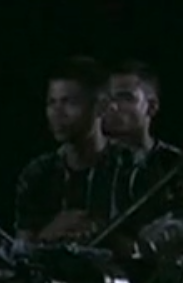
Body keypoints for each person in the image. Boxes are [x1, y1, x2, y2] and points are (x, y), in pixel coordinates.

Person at [14, 56, 131, 244]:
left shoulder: (132, 168)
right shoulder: (38, 174)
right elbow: (21, 251)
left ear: (101, 107)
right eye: (51, 102)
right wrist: (49, 233)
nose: (57, 112)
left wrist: (103, 234)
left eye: (69, 102)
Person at [101, 60, 183, 235]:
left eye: (125, 98)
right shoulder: (84, 161)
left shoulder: (179, 167)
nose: (112, 106)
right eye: (107, 98)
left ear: (151, 106)